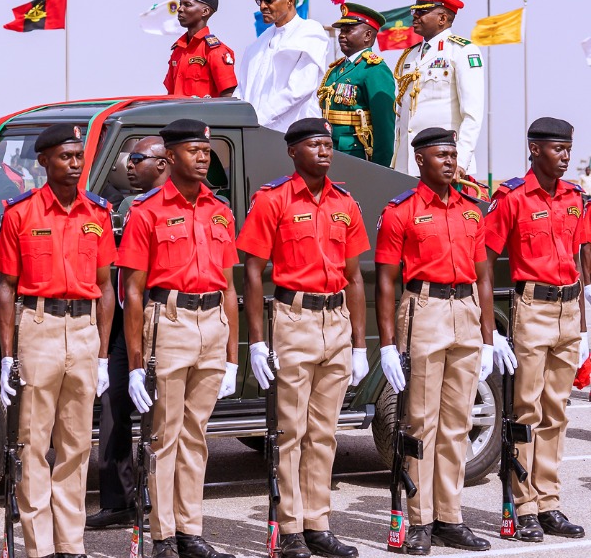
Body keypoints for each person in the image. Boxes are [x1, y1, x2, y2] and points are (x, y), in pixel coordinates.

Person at [237, 117, 370, 558]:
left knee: (325, 433)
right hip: (293, 319)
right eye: (315, 145)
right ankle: (291, 527)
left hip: (335, 320)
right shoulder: (273, 200)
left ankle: (319, 523)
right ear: (293, 151)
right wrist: (257, 340)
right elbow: (253, 272)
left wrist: (359, 342)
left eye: (329, 145)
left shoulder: (345, 202)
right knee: (290, 430)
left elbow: (354, 278)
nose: (325, 152)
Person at [0, 123, 116, 558]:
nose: (75, 163)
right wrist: (7, 355)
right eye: (65, 156)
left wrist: (102, 353)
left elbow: (106, 286)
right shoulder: (20, 213)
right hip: (39, 328)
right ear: (43, 161)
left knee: (77, 443)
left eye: (79, 156)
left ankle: (71, 543)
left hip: (83, 331)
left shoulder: (98, 213)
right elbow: (7, 286)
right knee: (33, 443)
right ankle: (40, 547)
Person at [117, 120, 239, 558]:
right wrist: (134, 364)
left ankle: (191, 530)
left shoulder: (219, 210)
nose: (203, 157)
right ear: (169, 158)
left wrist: (233, 357)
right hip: (167, 321)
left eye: (206, 150)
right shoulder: (147, 211)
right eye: (193, 150)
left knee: (196, 434)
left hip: (212, 323)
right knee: (164, 435)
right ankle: (163, 535)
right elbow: (132, 290)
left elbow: (228, 284)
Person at [375, 127, 494, 554]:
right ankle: (421, 519)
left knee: (457, 423)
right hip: (422, 309)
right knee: (421, 422)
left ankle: (450, 517)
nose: (449, 162)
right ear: (420, 160)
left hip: (465, 311)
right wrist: (388, 343)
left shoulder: (470, 210)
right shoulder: (400, 211)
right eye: (441, 155)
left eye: (453, 154)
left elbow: (483, 275)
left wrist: (488, 336)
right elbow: (386, 281)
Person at [485, 117, 588, 542]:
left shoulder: (575, 197)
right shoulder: (512, 197)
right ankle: (522, 504)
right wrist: (486, 325)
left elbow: (583, 253)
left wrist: (587, 310)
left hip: (569, 308)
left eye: (568, 148)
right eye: (556, 148)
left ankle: (549, 502)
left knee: (556, 411)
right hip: (532, 307)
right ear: (534, 149)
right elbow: (484, 261)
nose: (564, 155)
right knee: (525, 411)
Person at [86, 136, 170, 530]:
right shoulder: (126, 205)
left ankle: (161, 501)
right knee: (115, 405)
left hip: (161, 316)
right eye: (128, 159)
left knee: (161, 415)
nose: (129, 166)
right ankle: (119, 499)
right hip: (123, 319)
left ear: (163, 162)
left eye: (137, 159)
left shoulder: (173, 205)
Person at [392, 0, 485, 177]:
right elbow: (401, 115)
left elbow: (472, 114)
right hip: (409, 163)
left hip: (445, 164)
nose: (414, 17)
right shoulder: (409, 56)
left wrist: (461, 160)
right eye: (414, 12)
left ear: (442, 18)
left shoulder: (462, 51)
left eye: (422, 12)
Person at [236, 0, 329, 131]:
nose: (263, 6)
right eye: (260, 0)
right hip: (254, 133)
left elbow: (299, 89)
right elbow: (241, 91)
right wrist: (239, 121)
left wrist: (257, 120)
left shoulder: (310, 33)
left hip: (294, 136)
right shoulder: (257, 45)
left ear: (290, 0)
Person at [318, 3, 396, 166]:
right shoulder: (336, 69)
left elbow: (384, 127)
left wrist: (380, 169)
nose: (341, 35)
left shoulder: (374, 69)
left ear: (368, 35)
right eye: (341, 31)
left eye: (348, 30)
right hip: (331, 151)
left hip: (357, 155)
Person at [163, 0, 237, 97]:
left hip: (203, 114)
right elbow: (170, 94)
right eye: (180, 4)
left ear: (205, 11)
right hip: (177, 114)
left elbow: (228, 99)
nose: (180, 9)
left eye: (187, 5)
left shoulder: (215, 51)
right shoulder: (178, 50)